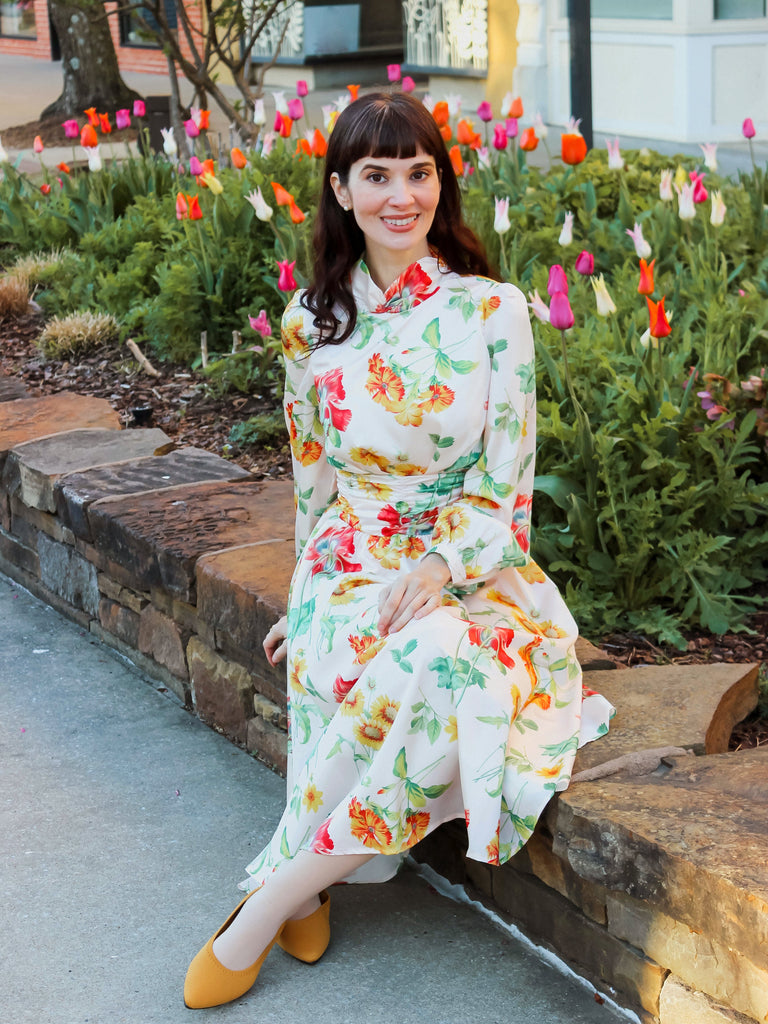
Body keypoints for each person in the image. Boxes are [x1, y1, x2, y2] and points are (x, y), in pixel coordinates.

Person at [183, 91, 613, 1009]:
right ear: (340, 189)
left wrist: (439, 567)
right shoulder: (310, 324)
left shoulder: (493, 312)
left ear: (439, 185)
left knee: (448, 654)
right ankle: (308, 882)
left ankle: (267, 904)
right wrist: (306, 600)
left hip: (466, 564)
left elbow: (508, 486)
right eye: (376, 175)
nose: (400, 195)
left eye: (418, 173)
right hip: (349, 564)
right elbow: (313, 481)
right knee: (367, 653)